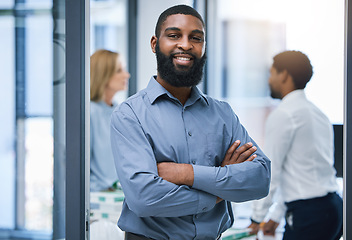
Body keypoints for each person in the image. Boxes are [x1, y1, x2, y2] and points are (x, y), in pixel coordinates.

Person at [110, 5, 271, 240]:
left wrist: (185, 174)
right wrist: (219, 188)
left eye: (196, 38)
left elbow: (260, 178)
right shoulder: (130, 114)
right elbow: (143, 198)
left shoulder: (222, 113)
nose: (186, 45)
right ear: (155, 44)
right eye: (174, 35)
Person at [248, 51, 343, 240]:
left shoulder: (284, 115)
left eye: (272, 73)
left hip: (310, 215)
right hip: (333, 209)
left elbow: (271, 171)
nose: (269, 80)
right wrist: (275, 215)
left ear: (284, 75)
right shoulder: (318, 114)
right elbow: (298, 173)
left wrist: (256, 218)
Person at [90, 49, 130, 192]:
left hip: (118, 195)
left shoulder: (120, 111)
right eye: (119, 70)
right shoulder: (90, 112)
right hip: (97, 198)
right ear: (103, 75)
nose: (127, 75)